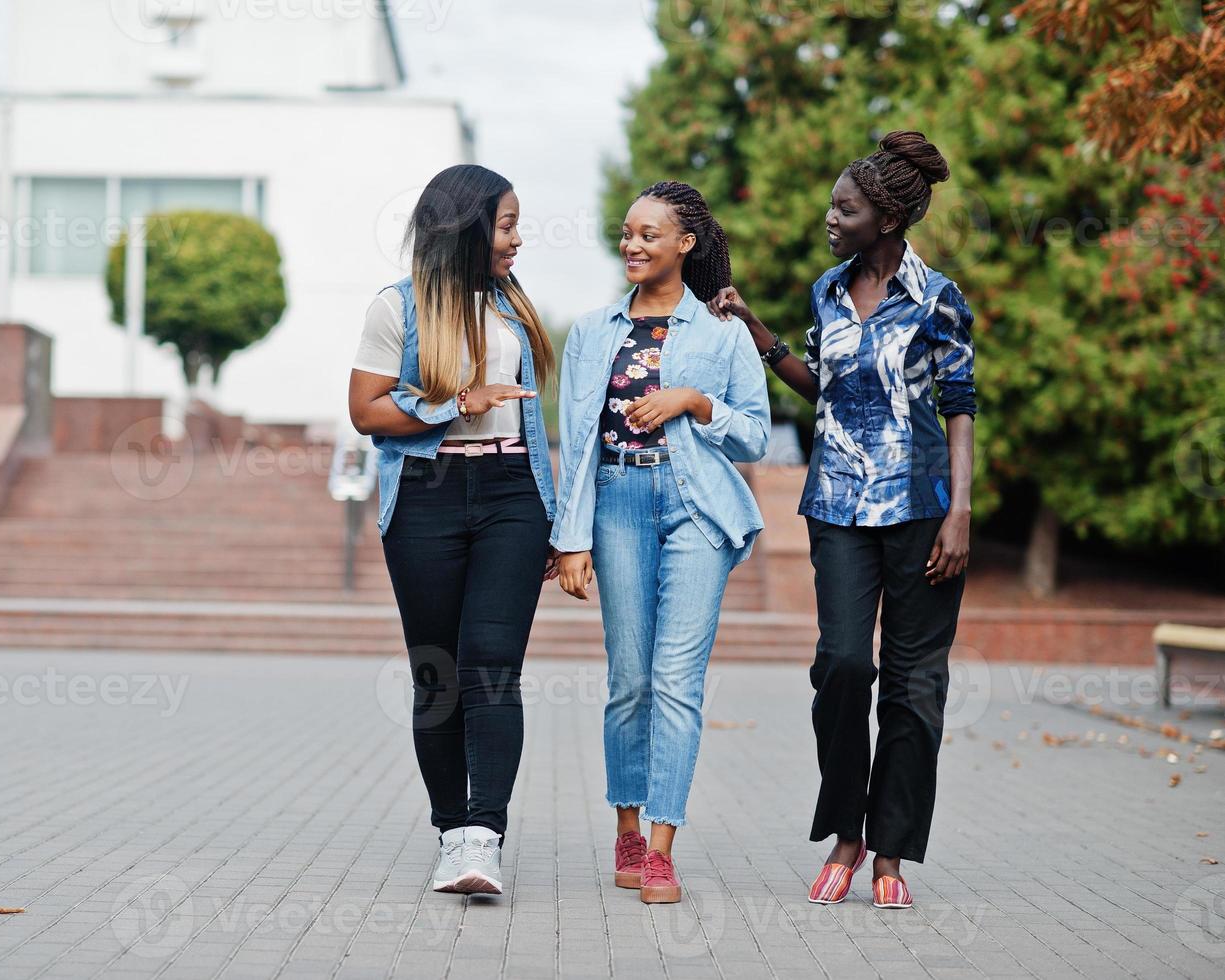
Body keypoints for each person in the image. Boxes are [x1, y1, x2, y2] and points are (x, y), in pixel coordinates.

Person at [709, 131, 976, 910]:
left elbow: (957, 408)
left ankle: (889, 852)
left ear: (887, 218)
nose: (830, 217)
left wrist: (959, 512)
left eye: (845, 207)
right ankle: (844, 831)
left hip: (923, 507)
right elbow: (821, 384)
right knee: (841, 666)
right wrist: (757, 331)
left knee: (912, 685)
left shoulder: (938, 298)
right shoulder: (826, 289)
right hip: (836, 505)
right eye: (833, 203)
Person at [553, 180, 770, 904]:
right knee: (630, 682)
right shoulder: (590, 333)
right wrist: (569, 538)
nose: (633, 244)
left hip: (695, 510)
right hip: (615, 503)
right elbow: (578, 444)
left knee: (677, 682)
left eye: (649, 234)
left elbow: (756, 435)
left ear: (686, 244)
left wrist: (694, 401)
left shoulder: (722, 334)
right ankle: (624, 827)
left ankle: (661, 848)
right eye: (627, 232)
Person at [348, 164, 559, 897]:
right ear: (468, 225)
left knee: (491, 664)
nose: (516, 238)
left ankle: (482, 837)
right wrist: (454, 405)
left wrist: (559, 522)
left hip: (511, 493)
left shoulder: (512, 306)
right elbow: (367, 411)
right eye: (505, 224)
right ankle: (449, 832)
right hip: (428, 495)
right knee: (436, 672)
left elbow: (532, 420)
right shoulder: (397, 308)